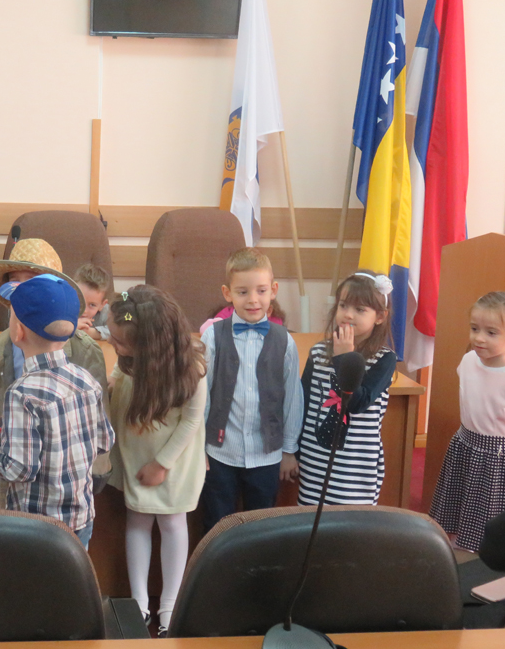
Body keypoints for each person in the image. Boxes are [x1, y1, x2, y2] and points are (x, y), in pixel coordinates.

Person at [0, 274, 114, 548]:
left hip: (35, 528)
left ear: (18, 332)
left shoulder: (21, 393)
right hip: (81, 520)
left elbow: (19, 470)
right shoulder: (87, 381)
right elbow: (104, 441)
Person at [106, 285, 207, 636]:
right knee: (137, 519)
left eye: (121, 342)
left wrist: (161, 464)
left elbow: (191, 421)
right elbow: (118, 373)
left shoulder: (190, 369)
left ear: (151, 346)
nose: (114, 345)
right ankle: (138, 604)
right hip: (135, 452)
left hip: (172, 461)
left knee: (172, 523)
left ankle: (169, 606)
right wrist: (113, 379)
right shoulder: (129, 359)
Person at [0, 240, 108, 499]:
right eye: (14, 283)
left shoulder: (86, 351)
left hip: (66, 484)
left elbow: (100, 430)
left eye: (32, 282)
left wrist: (94, 473)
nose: (23, 292)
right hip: (16, 485)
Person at [430, 292, 505, 552]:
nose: (479, 338)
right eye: (475, 329)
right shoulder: (468, 360)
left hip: (499, 457)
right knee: (456, 505)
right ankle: (453, 549)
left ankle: (480, 560)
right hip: (464, 444)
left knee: (488, 518)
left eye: (491, 332)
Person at [200, 248, 303, 532]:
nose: (253, 300)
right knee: (216, 525)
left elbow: (293, 399)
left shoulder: (285, 341)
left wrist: (289, 450)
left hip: (266, 455)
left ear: (273, 290)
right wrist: (199, 448)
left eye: (261, 290)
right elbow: (202, 396)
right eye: (243, 292)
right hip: (219, 452)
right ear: (227, 293)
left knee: (260, 528)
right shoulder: (213, 336)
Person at [298, 270, 397, 506]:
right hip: (315, 460)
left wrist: (344, 358)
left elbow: (357, 403)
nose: (348, 314)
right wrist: (291, 452)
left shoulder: (385, 359)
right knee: (310, 518)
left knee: (351, 522)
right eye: (343, 305)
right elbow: (301, 403)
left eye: (360, 309)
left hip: (355, 465)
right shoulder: (318, 353)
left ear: (380, 317)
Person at [74, 262, 111, 341]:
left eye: (92, 305)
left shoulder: (106, 312)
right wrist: (71, 327)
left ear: (102, 305)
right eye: (79, 300)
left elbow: (120, 331)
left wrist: (90, 332)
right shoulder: (64, 308)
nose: (84, 310)